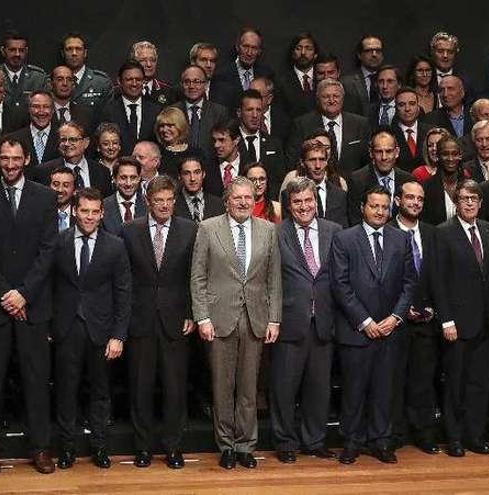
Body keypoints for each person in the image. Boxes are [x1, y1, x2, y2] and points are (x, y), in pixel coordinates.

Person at [0, 137, 57, 475]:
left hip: (33, 306)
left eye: (15, 158)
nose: (9, 165)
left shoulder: (45, 197)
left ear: (27, 158)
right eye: (4, 158)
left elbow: (48, 250)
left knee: (36, 379)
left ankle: (40, 447)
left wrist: (24, 294)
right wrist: (7, 294)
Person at [190, 176, 282, 470]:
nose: (243, 202)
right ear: (226, 201)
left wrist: (274, 319)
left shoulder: (268, 230)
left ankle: (246, 445)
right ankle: (226, 445)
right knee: (222, 386)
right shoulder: (208, 228)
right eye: (237, 198)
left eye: (248, 197)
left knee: (249, 387)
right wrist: (202, 316)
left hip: (255, 318)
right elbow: (198, 276)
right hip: (218, 320)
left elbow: (274, 280)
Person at [42, 187, 131, 470]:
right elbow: (50, 287)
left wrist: (119, 335)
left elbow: (124, 293)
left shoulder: (115, 245)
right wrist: (50, 325)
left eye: (95, 212)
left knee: (101, 392)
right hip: (67, 329)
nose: (89, 217)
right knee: (66, 391)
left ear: (102, 213)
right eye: (84, 211)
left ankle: (100, 447)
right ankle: (67, 449)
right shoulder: (60, 242)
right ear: (74, 211)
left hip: (102, 332)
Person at [331, 186, 417, 464]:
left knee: (385, 390)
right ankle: (352, 442)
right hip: (357, 330)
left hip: (391, 330)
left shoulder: (401, 239)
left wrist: (395, 318)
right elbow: (340, 285)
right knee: (354, 390)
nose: (379, 212)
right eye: (374, 206)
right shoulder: (344, 239)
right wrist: (365, 321)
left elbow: (409, 283)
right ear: (362, 207)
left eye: (384, 207)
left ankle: (382, 441)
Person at [122, 176, 197, 469]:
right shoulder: (129, 231)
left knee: (175, 389)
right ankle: (143, 448)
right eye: (158, 201)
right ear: (148, 202)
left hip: (176, 321)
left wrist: (191, 312)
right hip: (140, 321)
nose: (164, 205)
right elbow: (124, 280)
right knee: (140, 388)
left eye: (169, 200)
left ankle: (173, 447)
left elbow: (195, 275)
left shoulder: (190, 230)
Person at [272, 177, 341, 464]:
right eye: (297, 202)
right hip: (290, 321)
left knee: (318, 387)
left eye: (308, 200)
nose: (304, 206)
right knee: (284, 388)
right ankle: (285, 441)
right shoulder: (276, 233)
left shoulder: (334, 231)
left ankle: (314, 440)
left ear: (317, 202)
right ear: (289, 205)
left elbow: (340, 277)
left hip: (324, 322)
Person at [433, 180, 489, 456]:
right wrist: (446, 320)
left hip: (487, 322)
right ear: (456, 203)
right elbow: (438, 281)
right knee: (456, 383)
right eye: (464, 198)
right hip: (457, 324)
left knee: (479, 383)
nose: (469, 203)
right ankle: (455, 438)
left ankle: (475, 435)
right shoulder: (443, 233)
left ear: (480, 203)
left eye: (474, 198)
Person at [388, 180, 440, 453]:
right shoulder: (386, 231)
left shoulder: (433, 233)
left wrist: (433, 307)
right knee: (395, 380)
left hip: (426, 320)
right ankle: (396, 433)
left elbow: (440, 277)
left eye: (420, 199)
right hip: (395, 320)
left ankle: (424, 433)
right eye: (410, 198)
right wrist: (400, 308)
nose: (415, 203)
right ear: (398, 201)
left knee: (423, 379)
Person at [286, 78, 370, 178]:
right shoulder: (302, 125)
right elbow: (294, 160)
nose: (331, 100)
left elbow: (367, 161)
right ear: (318, 99)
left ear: (343, 98)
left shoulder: (360, 124)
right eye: (326, 97)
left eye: (336, 96)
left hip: (353, 186)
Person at [346, 129, 413, 222]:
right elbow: (355, 219)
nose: (384, 157)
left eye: (388, 151)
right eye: (379, 151)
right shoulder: (358, 180)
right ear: (371, 153)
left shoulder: (407, 180)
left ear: (397, 152)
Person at [280, 141, 349, 227]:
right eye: (312, 160)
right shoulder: (288, 195)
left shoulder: (340, 195)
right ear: (302, 162)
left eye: (322, 159)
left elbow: (344, 230)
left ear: (327, 162)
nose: (318, 166)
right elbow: (288, 229)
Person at [99, 60, 160, 155]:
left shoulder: (156, 110)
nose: (134, 84)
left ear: (143, 81)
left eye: (138, 79)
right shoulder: (107, 110)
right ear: (119, 81)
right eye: (129, 79)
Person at [35, 121, 109, 197]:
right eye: (63, 140)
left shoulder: (102, 172)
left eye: (73, 139)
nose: (67, 144)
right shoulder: (44, 172)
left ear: (86, 143)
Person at [237, 90, 287, 198]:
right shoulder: (231, 144)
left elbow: (279, 179)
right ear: (239, 112)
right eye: (249, 110)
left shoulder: (274, 143)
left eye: (258, 110)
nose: (255, 115)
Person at [172, 65, 229, 155]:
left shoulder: (219, 112)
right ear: (181, 85)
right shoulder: (172, 111)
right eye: (187, 82)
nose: (191, 86)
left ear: (205, 85)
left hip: (211, 165)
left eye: (196, 82)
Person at [4, 90, 59, 167]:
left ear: (53, 110)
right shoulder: (13, 139)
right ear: (29, 109)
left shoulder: (62, 138)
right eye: (36, 106)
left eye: (46, 107)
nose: (41, 112)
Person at [423, 135, 469, 225]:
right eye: (445, 154)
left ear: (460, 156)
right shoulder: (427, 187)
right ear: (437, 156)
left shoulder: (469, 185)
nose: (450, 159)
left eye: (455, 154)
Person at [60, 32, 112, 111]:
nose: (74, 53)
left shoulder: (101, 83)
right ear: (62, 53)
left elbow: (109, 117)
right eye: (69, 49)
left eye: (78, 49)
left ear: (85, 53)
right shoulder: (51, 82)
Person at [275, 33, 319, 119]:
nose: (303, 53)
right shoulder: (281, 83)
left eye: (308, 48)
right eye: (298, 48)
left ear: (315, 54)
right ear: (292, 53)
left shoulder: (322, 77)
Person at [0, 31, 47, 107]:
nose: (17, 54)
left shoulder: (38, 78)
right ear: (3, 51)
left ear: (26, 51)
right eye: (12, 50)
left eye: (21, 50)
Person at [340, 35, 384, 116]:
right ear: (359, 55)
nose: (374, 54)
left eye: (378, 51)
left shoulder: (391, 79)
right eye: (368, 51)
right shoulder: (346, 83)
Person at [102, 157, 146, 235]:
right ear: (114, 179)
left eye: (133, 178)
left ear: (139, 179)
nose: (128, 183)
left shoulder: (148, 205)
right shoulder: (103, 206)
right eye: (123, 178)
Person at [175, 154, 224, 223]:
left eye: (197, 172)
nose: (192, 178)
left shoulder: (218, 204)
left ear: (203, 174)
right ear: (179, 176)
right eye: (186, 173)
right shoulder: (172, 203)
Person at [155, 106, 201, 177]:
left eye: (170, 125)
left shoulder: (196, 153)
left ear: (180, 126)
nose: (164, 130)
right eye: (162, 126)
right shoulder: (156, 154)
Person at [390, 87, 426, 172]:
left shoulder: (430, 131)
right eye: (402, 105)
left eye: (412, 103)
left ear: (418, 107)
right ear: (396, 108)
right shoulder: (389, 134)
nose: (407, 109)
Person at [131, 41, 175, 105]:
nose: (149, 64)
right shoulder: (122, 91)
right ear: (133, 63)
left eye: (152, 60)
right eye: (143, 60)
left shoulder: (169, 92)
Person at [92, 123, 122, 192]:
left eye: (115, 143)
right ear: (98, 147)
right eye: (106, 144)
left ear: (119, 146)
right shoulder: (91, 169)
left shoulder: (126, 166)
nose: (111, 147)